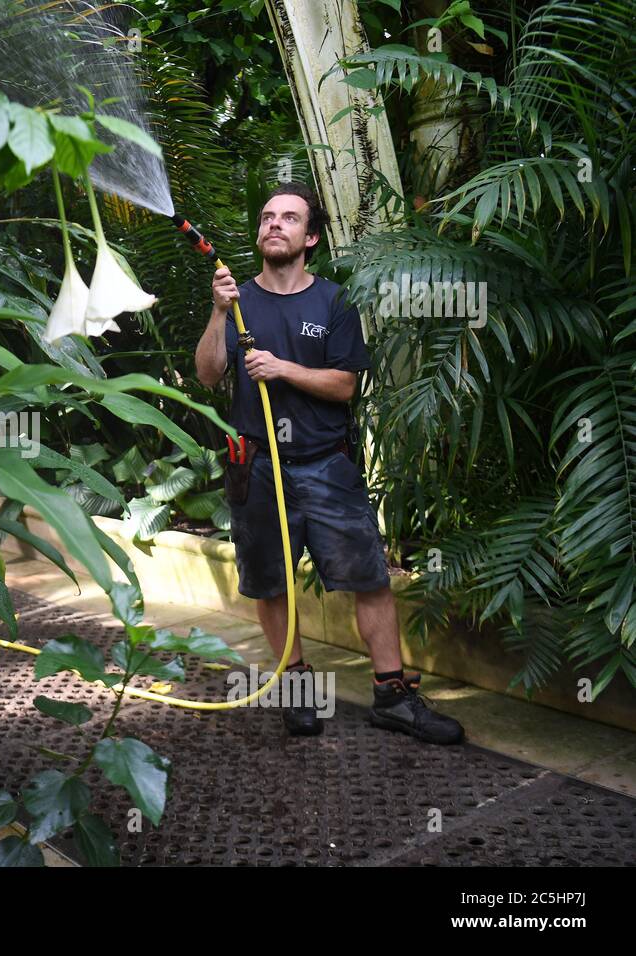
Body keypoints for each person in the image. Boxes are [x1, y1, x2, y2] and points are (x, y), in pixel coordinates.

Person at [194, 182, 463, 745]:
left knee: (369, 578)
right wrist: (218, 314)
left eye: (289, 218)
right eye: (267, 217)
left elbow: (345, 385)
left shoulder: (335, 302)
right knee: (271, 584)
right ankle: (296, 687)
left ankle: (392, 694)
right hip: (257, 466)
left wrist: (282, 368)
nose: (274, 225)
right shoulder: (237, 299)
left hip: (325, 464)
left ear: (310, 236)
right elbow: (209, 374)